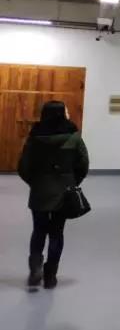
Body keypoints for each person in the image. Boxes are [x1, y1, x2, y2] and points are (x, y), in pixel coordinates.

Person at [17, 101, 89, 289]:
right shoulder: (73, 137)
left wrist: (36, 183)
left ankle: (35, 268)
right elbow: (83, 164)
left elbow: (23, 167)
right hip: (64, 193)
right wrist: (71, 182)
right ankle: (50, 276)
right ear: (61, 114)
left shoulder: (35, 137)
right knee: (57, 233)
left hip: (40, 192)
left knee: (38, 230)